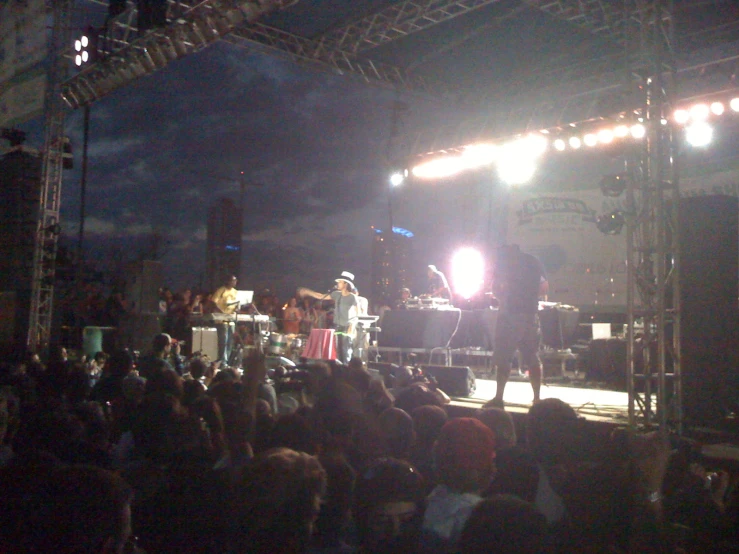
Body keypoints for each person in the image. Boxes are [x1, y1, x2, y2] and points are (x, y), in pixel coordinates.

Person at [489, 244, 548, 407]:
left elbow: (495, 286)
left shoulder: (503, 263)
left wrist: (503, 298)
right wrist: (530, 298)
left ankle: (499, 397)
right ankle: (537, 398)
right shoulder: (533, 262)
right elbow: (544, 287)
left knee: (504, 355)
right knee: (532, 355)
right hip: (530, 315)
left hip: (509, 315)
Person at [298, 271, 359, 364]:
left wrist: (352, 325)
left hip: (347, 327)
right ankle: (339, 371)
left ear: (346, 284)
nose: (337, 284)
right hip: (337, 325)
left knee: (345, 352)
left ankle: (347, 371)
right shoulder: (336, 294)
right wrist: (308, 292)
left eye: (340, 282)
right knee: (337, 352)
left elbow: (358, 313)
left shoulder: (352, 297)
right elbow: (321, 296)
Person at [211, 275, 240, 366]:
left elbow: (238, 303)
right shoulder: (221, 290)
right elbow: (213, 303)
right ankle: (222, 360)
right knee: (223, 340)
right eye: (232, 280)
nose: (234, 282)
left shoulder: (235, 292)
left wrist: (237, 308)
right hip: (221, 319)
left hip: (231, 319)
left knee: (230, 341)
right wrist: (222, 313)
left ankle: (226, 360)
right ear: (228, 281)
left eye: (235, 281)